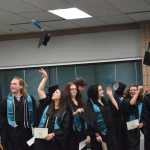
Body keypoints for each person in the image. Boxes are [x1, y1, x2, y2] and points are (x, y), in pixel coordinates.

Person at [34, 68, 71, 150]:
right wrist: (45, 78)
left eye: (57, 92)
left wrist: (53, 134)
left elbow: (65, 129)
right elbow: (40, 90)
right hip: (41, 139)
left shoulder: (65, 112)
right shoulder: (47, 106)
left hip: (55, 142)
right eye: (54, 92)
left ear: (61, 97)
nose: (54, 93)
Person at [0, 76, 37, 150]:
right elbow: (2, 119)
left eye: (14, 84)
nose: (12, 86)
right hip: (11, 136)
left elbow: (35, 116)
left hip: (27, 135)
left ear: (21, 86)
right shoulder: (6, 101)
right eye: (11, 84)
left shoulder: (30, 99)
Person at [87, 84, 115, 150]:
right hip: (99, 135)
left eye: (102, 89)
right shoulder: (90, 105)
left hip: (109, 133)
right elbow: (90, 122)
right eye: (100, 90)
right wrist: (97, 134)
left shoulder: (104, 101)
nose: (102, 91)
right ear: (94, 92)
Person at [64, 82, 91, 150]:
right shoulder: (65, 102)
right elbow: (63, 118)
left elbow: (86, 119)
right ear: (68, 91)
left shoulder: (80, 101)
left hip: (82, 133)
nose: (74, 90)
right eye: (71, 89)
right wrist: (75, 113)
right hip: (71, 134)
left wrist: (88, 135)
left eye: (75, 89)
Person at [106, 82, 128, 150]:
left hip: (121, 122)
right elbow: (118, 108)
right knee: (118, 140)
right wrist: (110, 96)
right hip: (116, 122)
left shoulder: (119, 96)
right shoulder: (114, 96)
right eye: (124, 88)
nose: (125, 90)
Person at [124, 85, 144, 150]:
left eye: (134, 90)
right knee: (132, 146)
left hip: (137, 127)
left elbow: (143, 113)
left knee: (137, 145)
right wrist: (138, 91)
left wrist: (142, 122)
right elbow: (132, 103)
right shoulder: (126, 100)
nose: (132, 91)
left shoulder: (140, 101)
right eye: (131, 90)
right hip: (130, 126)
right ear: (128, 91)